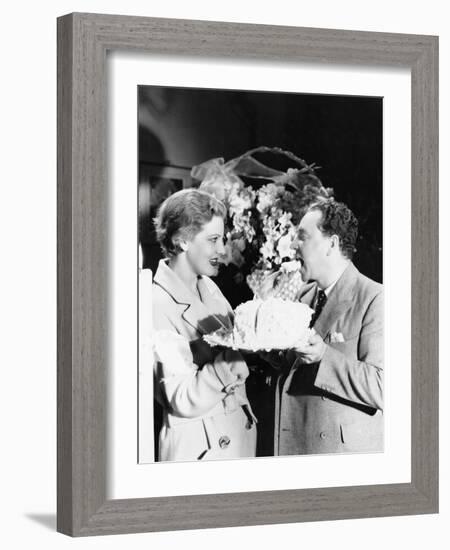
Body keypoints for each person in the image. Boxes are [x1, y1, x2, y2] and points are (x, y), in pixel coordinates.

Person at [270, 199, 383, 455]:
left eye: (302, 237)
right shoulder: (304, 296)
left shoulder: (375, 298)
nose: (293, 245)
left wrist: (324, 357)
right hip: (297, 442)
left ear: (331, 244)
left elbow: (384, 386)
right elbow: (293, 368)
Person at [151, 188, 257, 462]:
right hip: (199, 451)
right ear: (183, 241)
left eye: (222, 239)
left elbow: (237, 344)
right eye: (213, 240)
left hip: (233, 440)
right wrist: (226, 367)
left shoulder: (208, 286)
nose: (223, 250)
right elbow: (179, 397)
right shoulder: (155, 302)